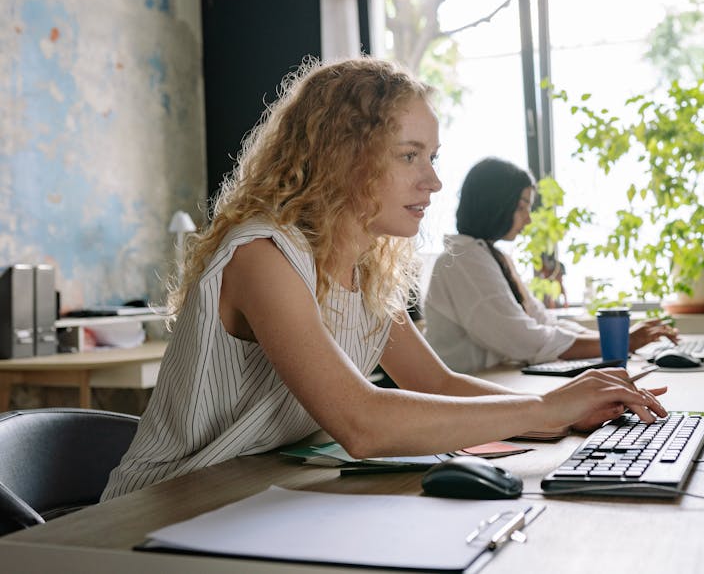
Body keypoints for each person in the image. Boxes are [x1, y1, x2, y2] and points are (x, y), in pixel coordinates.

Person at [101, 57, 667, 500]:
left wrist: (560, 409)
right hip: (162, 506)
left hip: (254, 492)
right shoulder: (263, 256)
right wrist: (544, 411)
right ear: (342, 156)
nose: (434, 182)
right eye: (409, 156)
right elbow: (361, 422)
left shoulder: (367, 266)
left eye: (433, 156)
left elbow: (437, 385)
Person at [423, 157, 678, 374]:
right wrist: (622, 342)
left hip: (497, 380)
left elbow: (542, 321)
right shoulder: (462, 261)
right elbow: (524, 340)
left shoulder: (491, 256)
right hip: (471, 391)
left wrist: (620, 342)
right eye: (522, 206)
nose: (529, 219)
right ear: (496, 203)